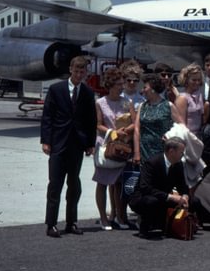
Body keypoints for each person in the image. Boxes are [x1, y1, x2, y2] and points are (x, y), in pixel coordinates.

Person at [40, 55, 97, 238]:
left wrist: (90, 143)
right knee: (55, 184)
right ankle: (51, 224)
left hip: (76, 145)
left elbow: (91, 120)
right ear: (70, 69)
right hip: (58, 143)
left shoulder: (87, 92)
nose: (79, 75)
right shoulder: (56, 89)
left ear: (86, 72)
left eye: (82, 72)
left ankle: (71, 222)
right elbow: (47, 116)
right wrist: (46, 141)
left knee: (74, 185)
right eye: (77, 71)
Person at [92, 67, 136, 231]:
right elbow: (98, 125)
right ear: (110, 85)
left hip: (121, 146)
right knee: (102, 182)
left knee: (118, 183)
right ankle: (103, 218)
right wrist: (113, 132)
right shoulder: (100, 102)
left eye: (122, 83)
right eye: (118, 84)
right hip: (105, 145)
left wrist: (126, 130)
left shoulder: (126, 102)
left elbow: (134, 121)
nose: (122, 86)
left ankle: (118, 216)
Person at [128, 137, 190, 239]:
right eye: (181, 152)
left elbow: (183, 185)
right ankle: (144, 227)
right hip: (143, 197)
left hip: (163, 197)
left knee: (193, 201)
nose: (182, 155)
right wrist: (170, 196)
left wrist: (185, 196)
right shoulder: (152, 163)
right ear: (171, 151)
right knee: (152, 201)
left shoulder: (178, 165)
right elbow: (145, 188)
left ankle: (175, 226)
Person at [133, 73, 177, 163]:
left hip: (163, 150)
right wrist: (137, 152)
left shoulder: (168, 105)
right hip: (145, 151)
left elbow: (181, 125)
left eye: (145, 87)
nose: (142, 90)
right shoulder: (142, 106)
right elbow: (137, 129)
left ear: (153, 89)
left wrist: (171, 134)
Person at [173, 62, 204, 137]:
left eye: (199, 80)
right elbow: (181, 125)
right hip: (187, 137)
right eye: (194, 80)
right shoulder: (182, 98)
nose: (197, 82)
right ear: (186, 80)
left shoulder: (199, 95)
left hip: (199, 136)